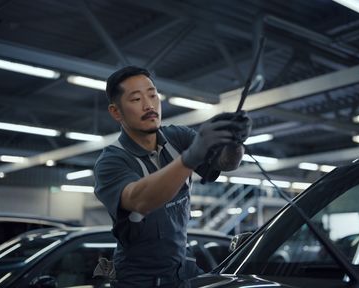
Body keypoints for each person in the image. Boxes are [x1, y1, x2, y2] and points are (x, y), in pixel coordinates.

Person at [93, 66, 252, 287]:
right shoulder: (111, 162)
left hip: (182, 271)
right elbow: (140, 200)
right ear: (116, 112)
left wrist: (235, 142)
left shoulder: (178, 137)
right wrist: (191, 157)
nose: (149, 105)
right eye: (136, 99)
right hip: (138, 280)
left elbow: (225, 163)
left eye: (152, 94)